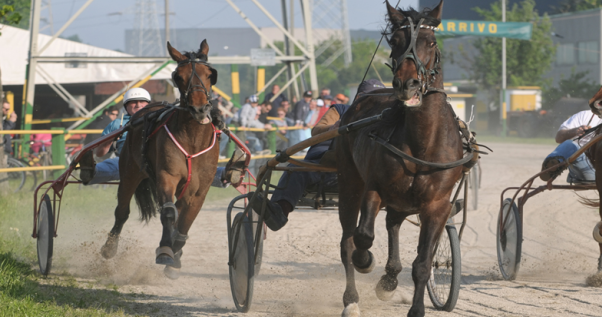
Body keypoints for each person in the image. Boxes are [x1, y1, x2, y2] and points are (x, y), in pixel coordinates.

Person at [254, 79, 386, 231]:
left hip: (366, 176)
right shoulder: (341, 110)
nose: (374, 102)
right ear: (358, 97)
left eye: (380, 98)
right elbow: (317, 130)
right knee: (295, 170)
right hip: (325, 167)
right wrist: (334, 127)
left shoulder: (385, 118)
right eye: (369, 97)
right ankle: (279, 212)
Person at [79, 88, 242, 188]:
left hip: (162, 160)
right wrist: (109, 140)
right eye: (133, 103)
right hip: (130, 160)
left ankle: (225, 174)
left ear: (149, 104)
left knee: (191, 168)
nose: (137, 105)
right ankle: (91, 172)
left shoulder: (160, 119)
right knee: (115, 165)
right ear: (126, 107)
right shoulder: (117, 123)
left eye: (142, 102)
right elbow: (101, 153)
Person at [540, 110, 602, 183]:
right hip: (583, 167)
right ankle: (552, 164)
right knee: (569, 144)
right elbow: (559, 138)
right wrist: (576, 131)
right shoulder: (586, 115)